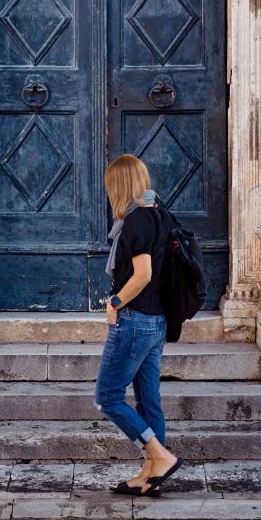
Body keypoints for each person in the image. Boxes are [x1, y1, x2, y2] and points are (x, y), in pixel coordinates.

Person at [94, 154, 184, 496]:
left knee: (107, 397)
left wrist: (115, 302)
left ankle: (160, 457)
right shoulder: (160, 215)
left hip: (135, 321)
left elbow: (143, 274)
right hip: (156, 321)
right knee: (149, 401)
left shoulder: (135, 222)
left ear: (119, 185)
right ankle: (151, 474)